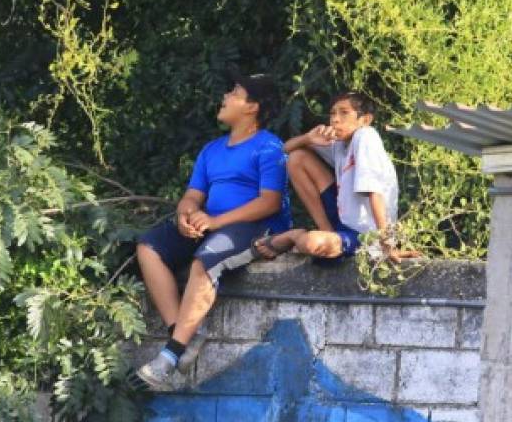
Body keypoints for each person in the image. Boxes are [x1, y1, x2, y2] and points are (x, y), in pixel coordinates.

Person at [135, 71, 291, 390]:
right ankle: (181, 331)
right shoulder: (212, 149)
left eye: (234, 92)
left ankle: (169, 356)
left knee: (204, 261)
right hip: (210, 223)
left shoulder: (269, 147)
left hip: (253, 227)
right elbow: (192, 196)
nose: (225, 97)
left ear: (252, 107)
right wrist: (186, 214)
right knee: (148, 247)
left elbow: (270, 202)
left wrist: (215, 222)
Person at [252, 91, 418, 265]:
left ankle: (295, 235)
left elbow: (374, 191)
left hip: (366, 233)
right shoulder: (340, 143)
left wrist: (387, 243)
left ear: (365, 120)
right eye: (332, 113)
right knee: (297, 158)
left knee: (310, 242)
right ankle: (326, 231)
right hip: (341, 220)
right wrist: (309, 137)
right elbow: (286, 149)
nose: (335, 119)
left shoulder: (366, 136)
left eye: (344, 113)